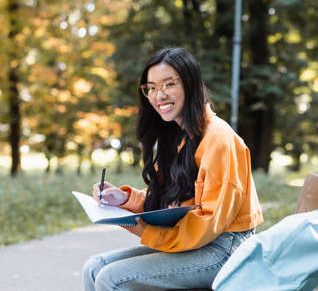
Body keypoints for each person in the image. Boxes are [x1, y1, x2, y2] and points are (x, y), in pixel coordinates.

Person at [82, 47, 264, 291]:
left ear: (190, 85)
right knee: (94, 267)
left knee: (112, 278)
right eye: (152, 88)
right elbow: (175, 200)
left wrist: (141, 228)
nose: (159, 96)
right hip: (201, 241)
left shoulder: (219, 140)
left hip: (225, 248)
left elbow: (208, 222)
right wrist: (124, 199)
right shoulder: (182, 136)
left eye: (169, 84)